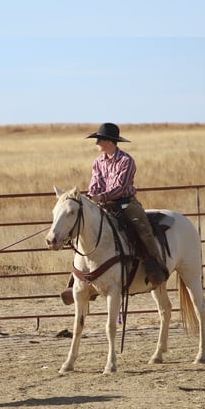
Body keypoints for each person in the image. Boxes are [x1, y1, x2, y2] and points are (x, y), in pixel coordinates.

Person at [60, 122, 169, 304]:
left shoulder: (126, 161)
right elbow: (95, 183)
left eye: (99, 140)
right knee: (84, 232)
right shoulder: (98, 162)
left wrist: (101, 197)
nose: (97, 143)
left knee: (142, 228)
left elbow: (120, 187)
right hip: (102, 204)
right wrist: (92, 196)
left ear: (109, 141)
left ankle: (154, 267)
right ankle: (78, 280)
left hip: (126, 204)